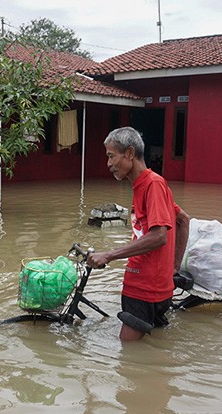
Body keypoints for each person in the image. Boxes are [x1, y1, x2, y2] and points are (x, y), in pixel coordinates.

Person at [87, 127, 190, 341]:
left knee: (128, 353)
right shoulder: (143, 186)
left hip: (144, 287)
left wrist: (109, 255)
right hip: (154, 285)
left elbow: (159, 236)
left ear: (130, 154)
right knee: (153, 347)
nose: (108, 164)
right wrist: (174, 267)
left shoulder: (152, 184)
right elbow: (183, 219)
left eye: (111, 156)